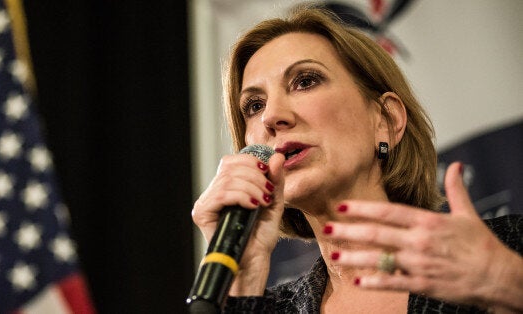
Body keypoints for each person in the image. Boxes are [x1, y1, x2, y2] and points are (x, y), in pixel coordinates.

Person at [190, 5, 523, 314]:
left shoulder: (510, 248)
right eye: (254, 106)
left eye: (305, 81)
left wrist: (508, 282)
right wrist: (244, 278)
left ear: (386, 120)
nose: (271, 116)